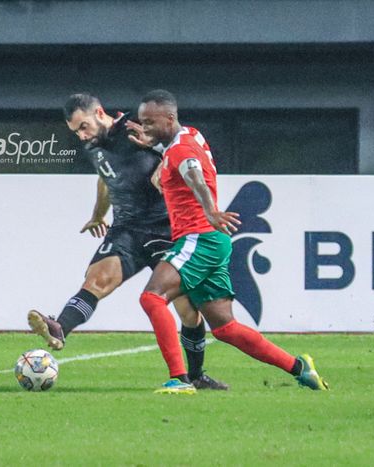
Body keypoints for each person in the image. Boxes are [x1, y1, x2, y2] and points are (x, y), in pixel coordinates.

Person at [127, 89, 329, 392]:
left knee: (152, 297)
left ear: (169, 118)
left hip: (199, 237)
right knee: (225, 328)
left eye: (150, 123)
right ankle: (300, 367)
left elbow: (193, 172)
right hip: (213, 242)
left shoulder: (181, 151)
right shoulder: (190, 136)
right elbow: (182, 157)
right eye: (142, 123)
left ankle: (180, 379)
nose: (145, 129)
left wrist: (210, 210)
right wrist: (157, 147)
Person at [27, 93, 228, 391]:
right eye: (76, 132)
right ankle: (60, 328)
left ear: (98, 112)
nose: (82, 135)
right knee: (97, 280)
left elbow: (181, 145)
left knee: (187, 310)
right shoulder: (93, 147)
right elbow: (105, 178)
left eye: (84, 126)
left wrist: (165, 163)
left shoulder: (135, 126)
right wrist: (97, 215)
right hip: (127, 229)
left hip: (164, 227)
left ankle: (195, 374)